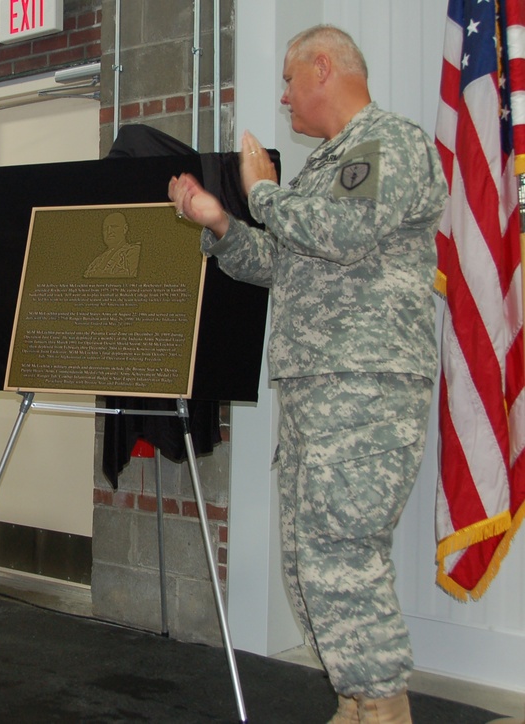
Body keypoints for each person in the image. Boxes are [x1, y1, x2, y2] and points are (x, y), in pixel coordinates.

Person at [169, 25, 446, 724]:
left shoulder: (385, 144)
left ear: (325, 68)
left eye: (292, 82)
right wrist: (222, 223)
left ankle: (383, 705)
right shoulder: (330, 166)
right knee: (310, 556)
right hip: (319, 385)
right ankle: (358, 699)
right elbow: (284, 261)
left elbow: (342, 235)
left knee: (342, 549)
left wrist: (260, 193)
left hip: (365, 384)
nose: (286, 99)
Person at [83, 211, 141, 278]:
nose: (109, 231)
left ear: (125, 229)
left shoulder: (133, 251)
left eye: (114, 226)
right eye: (105, 228)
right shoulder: (97, 260)